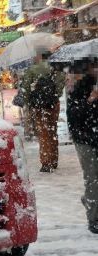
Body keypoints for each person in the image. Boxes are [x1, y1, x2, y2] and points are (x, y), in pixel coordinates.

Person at [20, 50, 66, 172]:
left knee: (43, 133)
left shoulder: (33, 69)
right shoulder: (56, 68)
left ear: (40, 55)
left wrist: (29, 101)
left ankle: (46, 162)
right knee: (52, 130)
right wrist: (54, 95)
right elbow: (61, 85)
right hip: (53, 103)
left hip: (39, 105)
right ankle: (54, 159)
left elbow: (25, 87)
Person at [66, 61, 98, 234]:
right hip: (85, 139)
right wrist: (91, 99)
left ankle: (89, 200)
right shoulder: (80, 87)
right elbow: (73, 115)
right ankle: (94, 219)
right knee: (92, 177)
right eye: (96, 67)